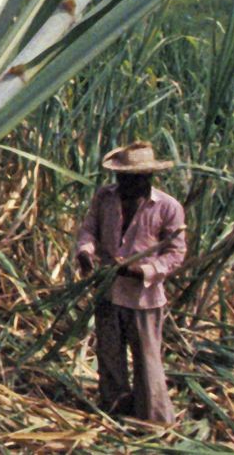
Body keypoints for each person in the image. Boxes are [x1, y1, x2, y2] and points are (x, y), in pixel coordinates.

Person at [74, 141, 186, 425]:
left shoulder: (167, 207)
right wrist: (85, 253)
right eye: (122, 177)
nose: (125, 183)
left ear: (147, 177)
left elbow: (176, 253)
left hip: (143, 298)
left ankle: (155, 421)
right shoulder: (105, 198)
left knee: (148, 362)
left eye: (133, 178)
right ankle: (115, 411)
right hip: (108, 293)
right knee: (110, 356)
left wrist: (144, 270)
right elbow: (89, 229)